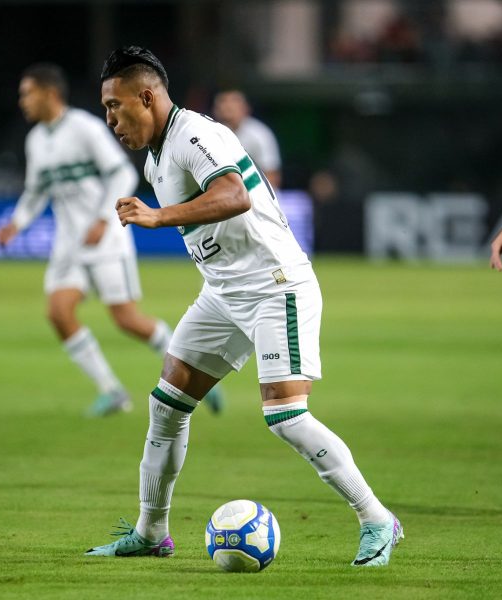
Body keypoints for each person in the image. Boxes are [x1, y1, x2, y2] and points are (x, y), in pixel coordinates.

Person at [85, 46, 403, 567]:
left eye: (115, 106)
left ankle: (376, 519)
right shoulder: (155, 155)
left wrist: (158, 217)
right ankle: (151, 531)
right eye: (105, 108)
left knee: (287, 417)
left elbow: (235, 195)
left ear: (146, 96)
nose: (110, 120)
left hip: (275, 285)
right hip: (224, 293)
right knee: (166, 405)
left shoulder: (195, 135)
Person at [0, 63, 175, 418]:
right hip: (69, 244)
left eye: (27, 93)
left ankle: (186, 368)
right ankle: (112, 391)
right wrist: (16, 224)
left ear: (49, 93)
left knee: (126, 320)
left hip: (105, 238)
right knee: (58, 313)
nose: (22, 101)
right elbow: (35, 191)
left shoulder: (85, 128)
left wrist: (103, 219)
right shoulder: (36, 140)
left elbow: (122, 171)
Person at [212, 89, 282, 190]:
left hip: (257, 194)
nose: (227, 106)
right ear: (215, 110)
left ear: (245, 109)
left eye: (233, 103)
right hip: (222, 193)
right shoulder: (208, 134)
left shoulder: (259, 134)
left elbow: (272, 175)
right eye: (223, 103)